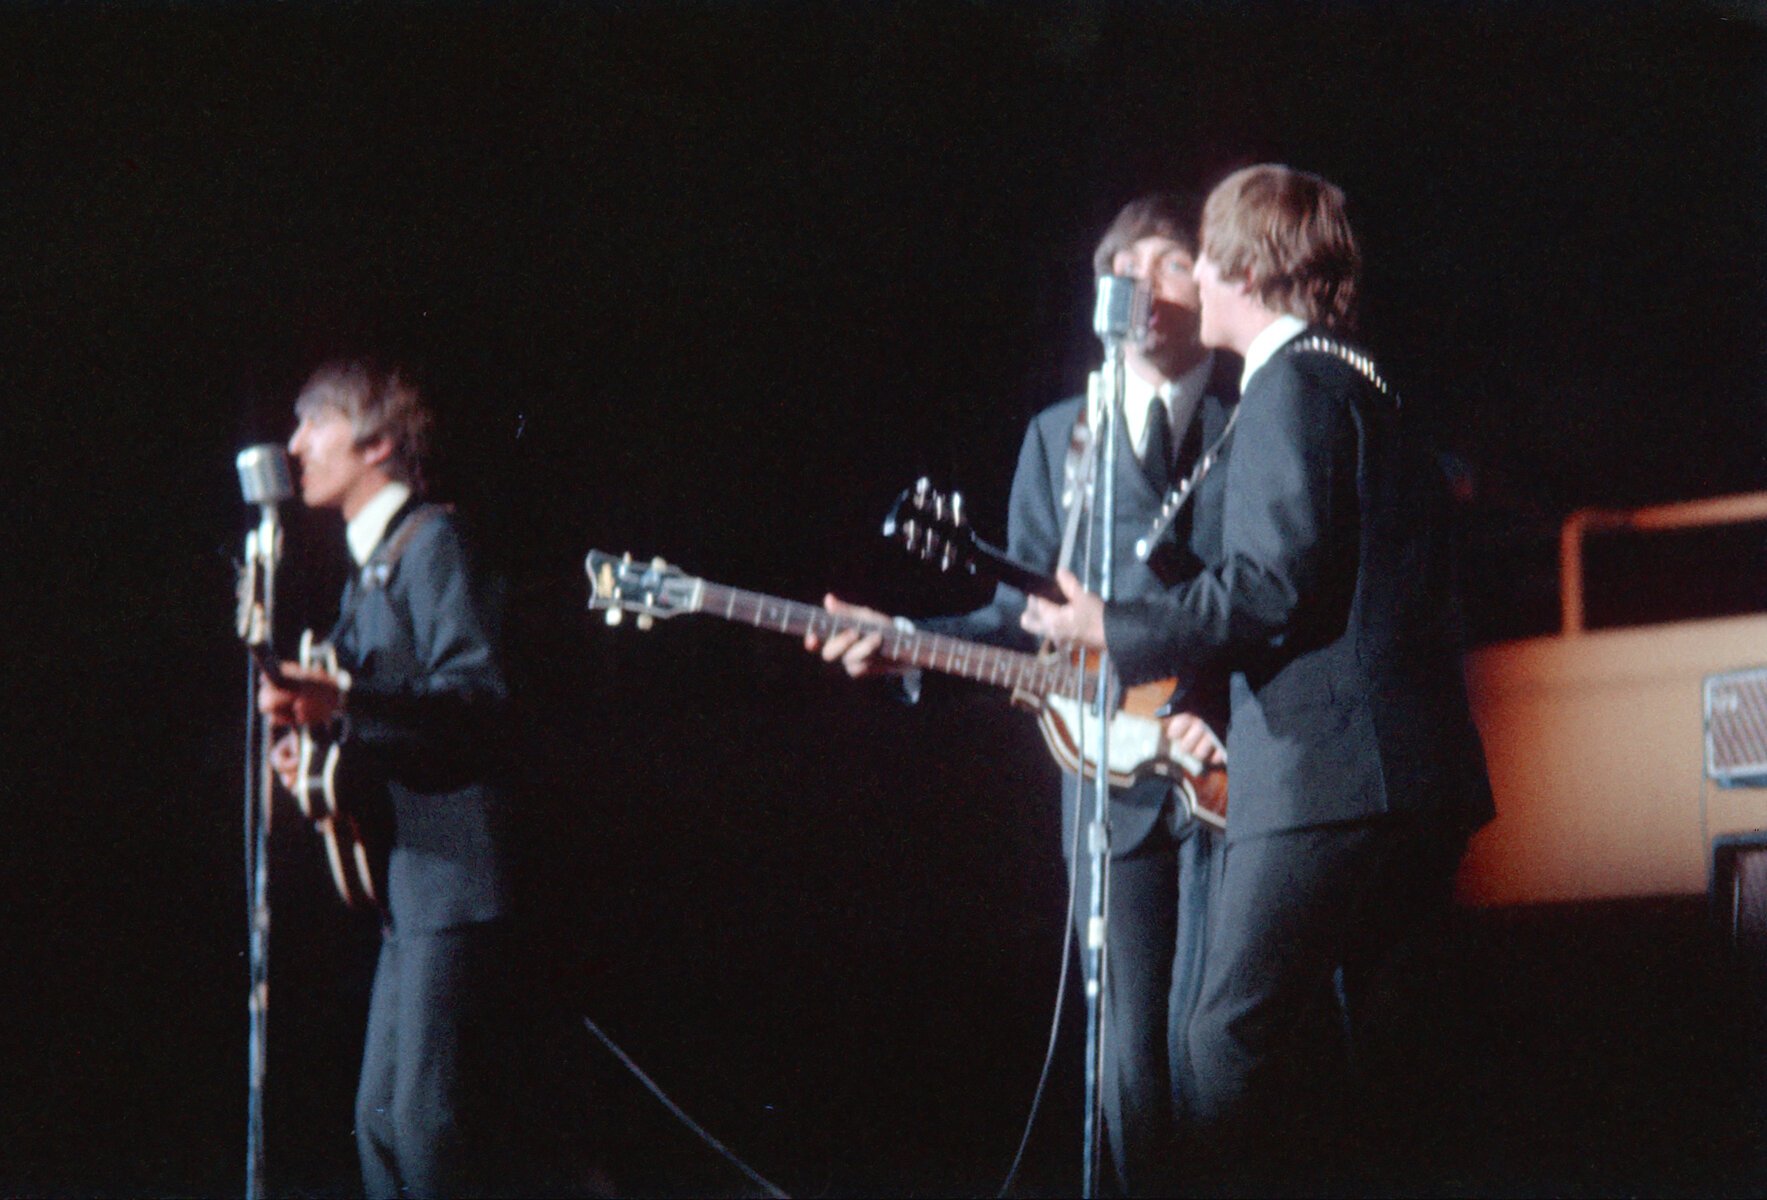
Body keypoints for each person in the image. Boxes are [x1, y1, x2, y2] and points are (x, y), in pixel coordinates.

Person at [1023, 165, 1495, 1187]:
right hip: (1416, 776)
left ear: (1237, 268)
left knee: (1221, 1039)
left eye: (1197, 257)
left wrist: (1117, 623)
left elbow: (1273, 587)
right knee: (1386, 1057)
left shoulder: (1287, 386)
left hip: (1327, 778)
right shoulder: (1365, 380)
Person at [807, 193, 1241, 1195]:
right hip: (1108, 789)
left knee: (1218, 1045)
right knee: (1128, 1059)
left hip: (1236, 770)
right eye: (1122, 266)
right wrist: (910, 642)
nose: (1143, 282)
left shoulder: (1253, 412)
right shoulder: (1062, 441)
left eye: (1168, 260)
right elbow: (1021, 624)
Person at [259, 360, 520, 1198]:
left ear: (376, 442)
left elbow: (473, 700)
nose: (294, 444)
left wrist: (343, 699)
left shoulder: (431, 544)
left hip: (452, 878)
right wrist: (315, 746)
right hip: (406, 886)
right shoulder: (365, 571)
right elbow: (376, 714)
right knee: (381, 1123)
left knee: (422, 1125)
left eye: (314, 423)